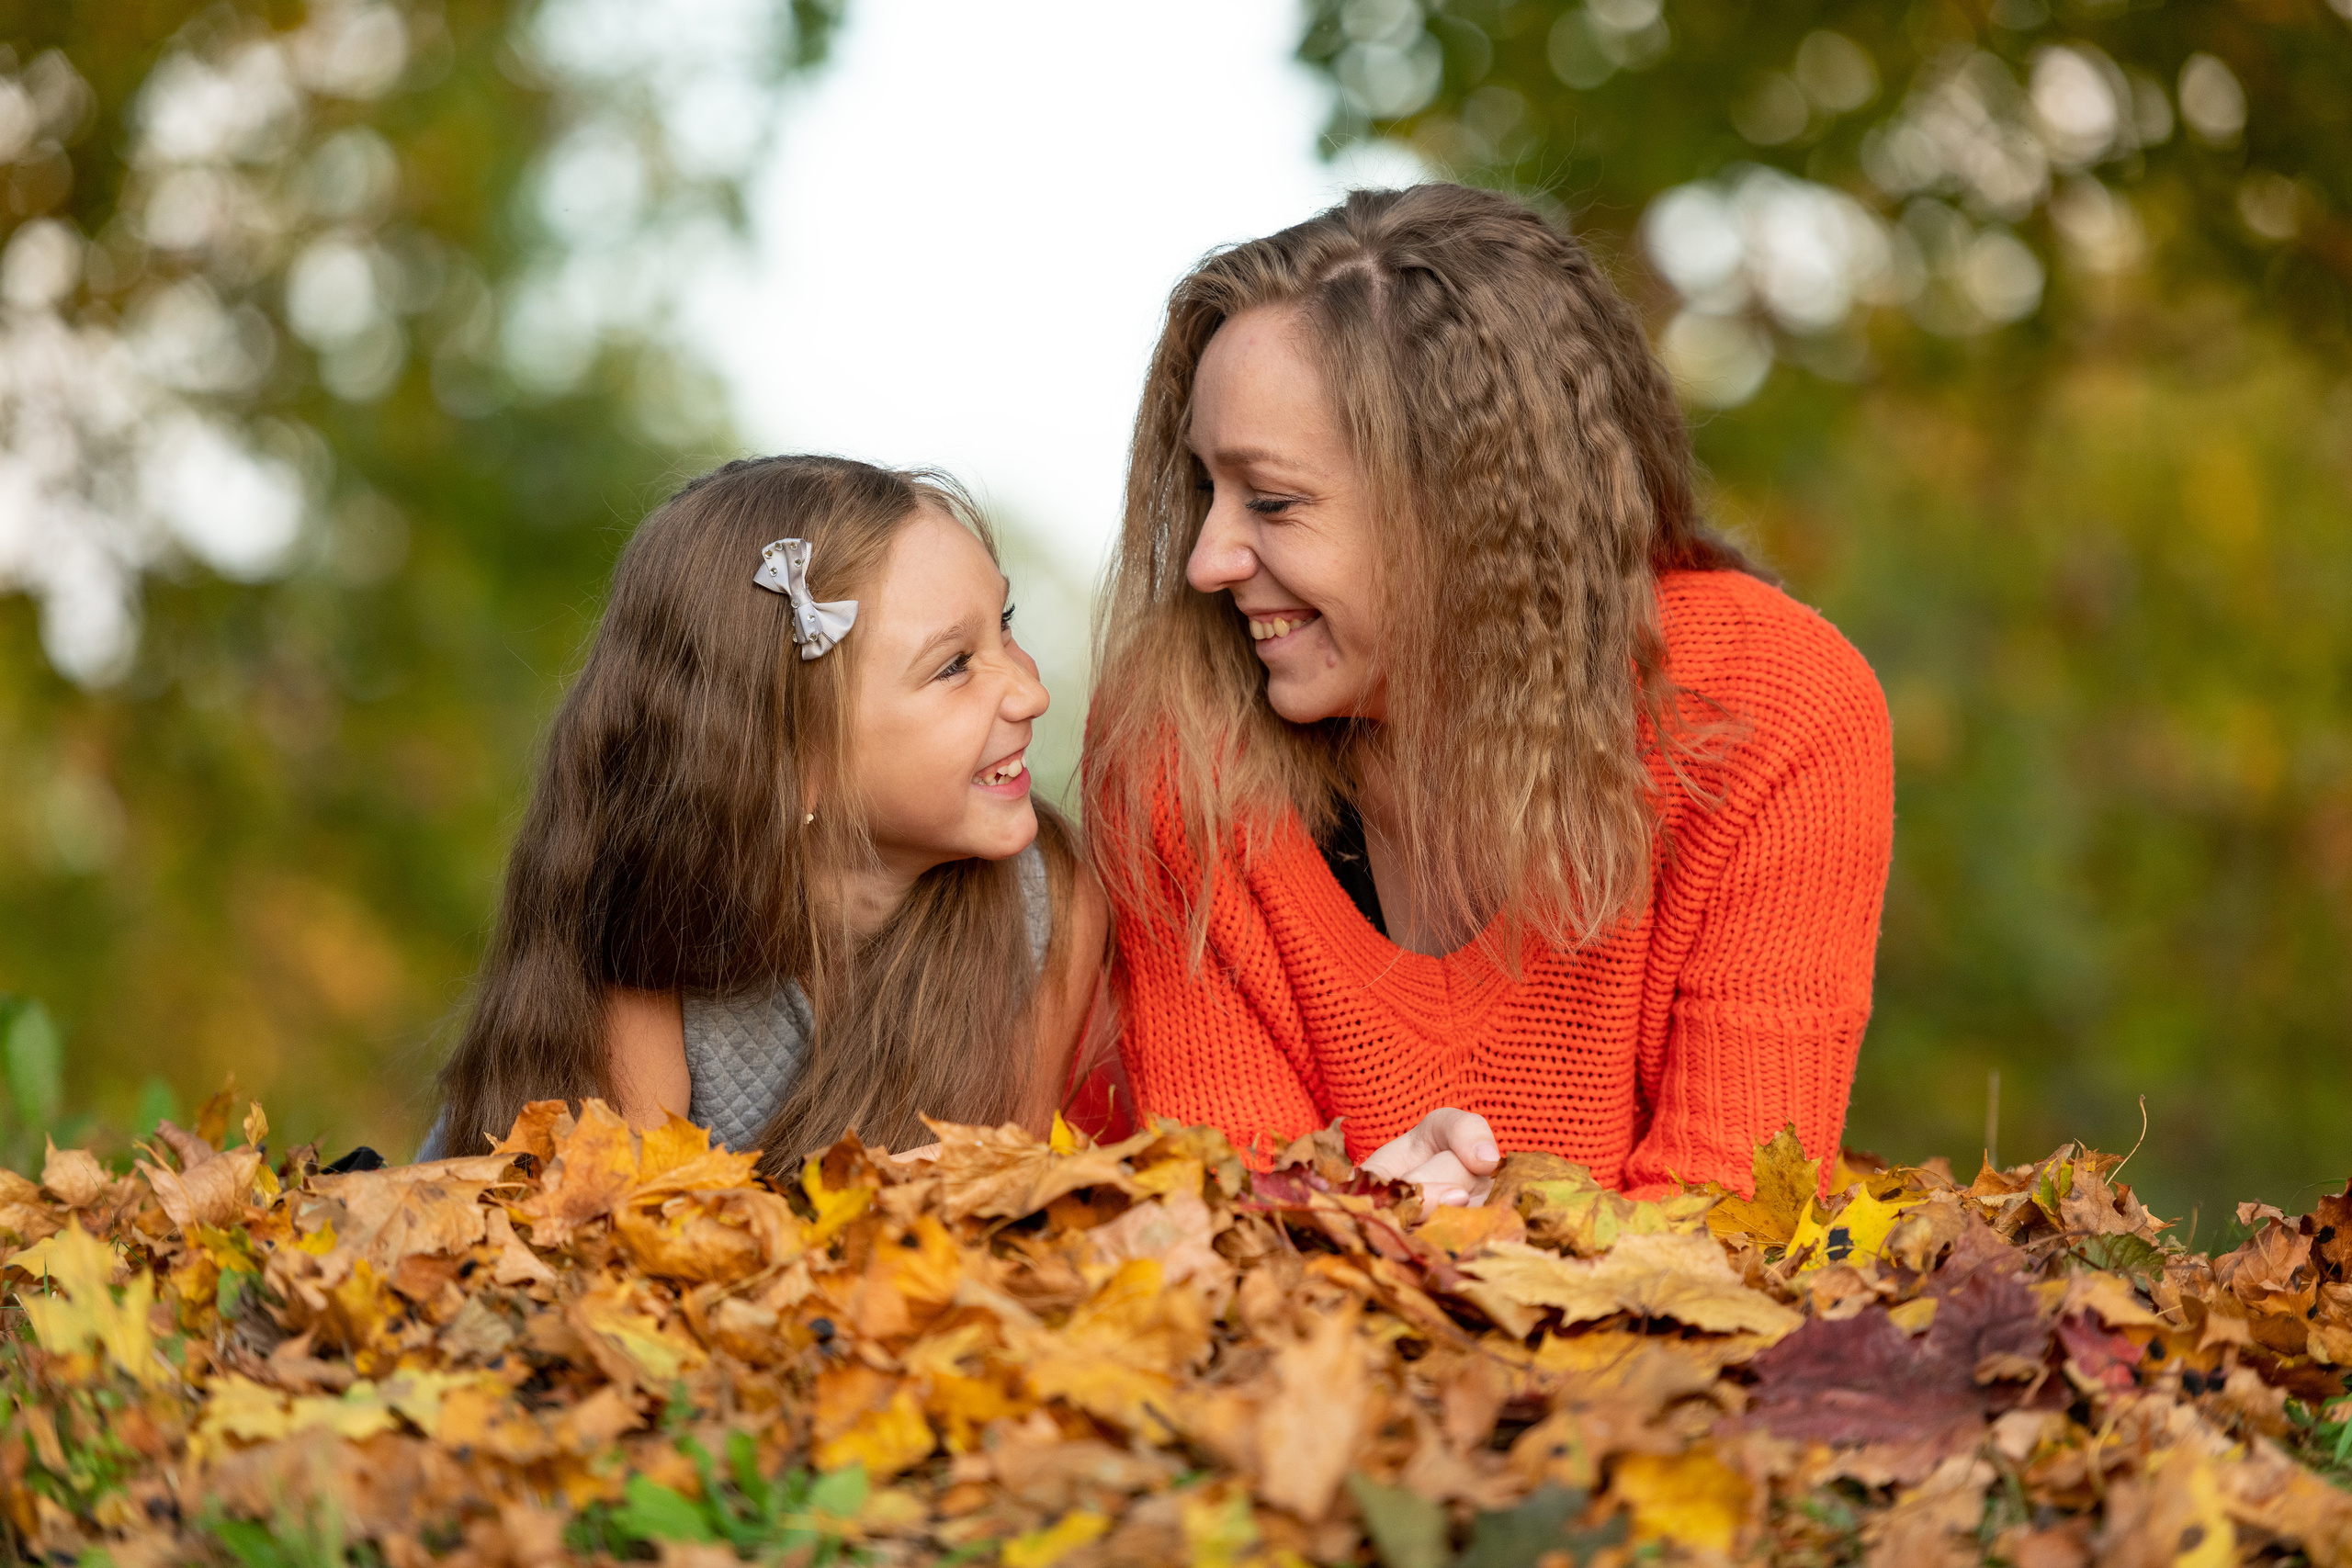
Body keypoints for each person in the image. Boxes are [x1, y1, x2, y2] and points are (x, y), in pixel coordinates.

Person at [1084, 185, 1894, 1201]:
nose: (1207, 560)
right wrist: (1357, 1239)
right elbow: (1217, 1233)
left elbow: (1731, 1234)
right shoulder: (1179, 735)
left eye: (1275, 501)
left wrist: (1414, 1245)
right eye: (1207, 487)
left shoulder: (1771, 712)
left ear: (1468, 511)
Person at [423, 455, 1114, 1168]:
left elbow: (990, 1202)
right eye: (954, 665)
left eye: (1004, 623)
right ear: (794, 761)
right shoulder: (651, 931)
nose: (1031, 693)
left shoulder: (1049, 901)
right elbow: (618, 1246)